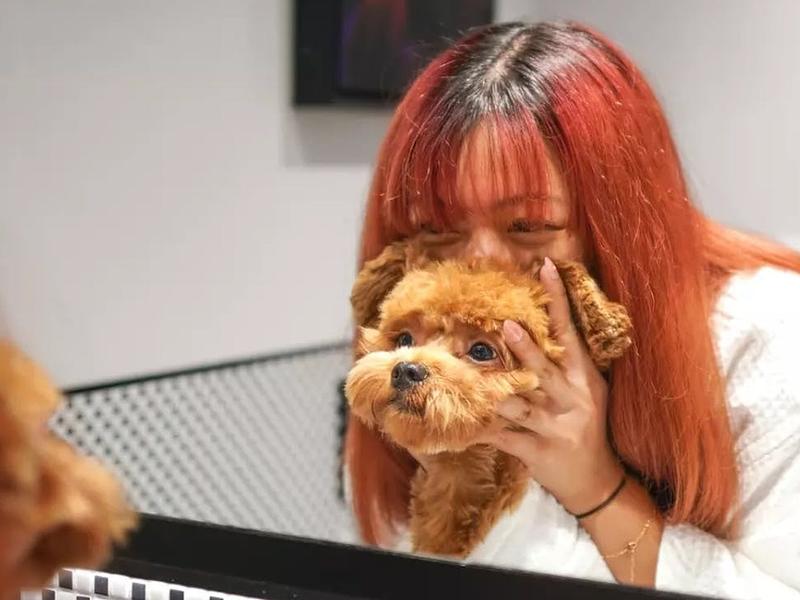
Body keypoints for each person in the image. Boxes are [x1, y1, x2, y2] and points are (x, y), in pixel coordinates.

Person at [343, 20, 800, 599]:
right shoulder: (408, 339)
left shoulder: (766, 333)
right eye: (437, 228)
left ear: (620, 219)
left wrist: (595, 488)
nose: (480, 262)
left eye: (528, 225)